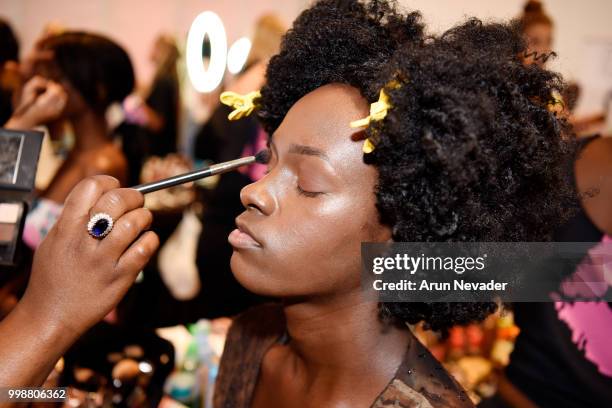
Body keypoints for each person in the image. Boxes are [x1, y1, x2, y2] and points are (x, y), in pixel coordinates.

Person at [1, 2, 573, 405]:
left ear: (404, 231)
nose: (254, 190)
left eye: (308, 182)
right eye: (269, 162)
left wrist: (40, 324)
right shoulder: (251, 342)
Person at [16, 32, 135, 249]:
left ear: (97, 89)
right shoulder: (76, 151)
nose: (50, 88)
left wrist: (24, 121)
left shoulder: (101, 165)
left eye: (60, 78)